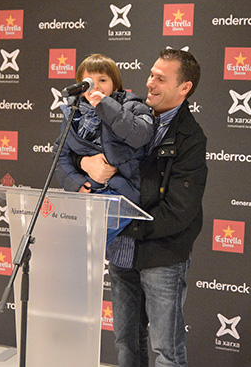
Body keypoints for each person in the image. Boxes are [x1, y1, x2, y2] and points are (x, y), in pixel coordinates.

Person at [78, 48, 207, 367]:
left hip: (162, 255)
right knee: (127, 342)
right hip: (122, 252)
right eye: (151, 74)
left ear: (184, 88)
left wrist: (126, 224)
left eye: (160, 79)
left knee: (166, 351)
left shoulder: (190, 137)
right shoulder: (127, 112)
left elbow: (179, 210)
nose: (150, 83)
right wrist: (84, 164)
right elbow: (77, 151)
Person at [52, 53, 154, 246]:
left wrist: (106, 105)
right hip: (88, 195)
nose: (95, 87)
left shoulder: (133, 106)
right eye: (88, 82)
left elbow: (140, 135)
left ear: (115, 85)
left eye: (103, 80)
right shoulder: (74, 114)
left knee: (85, 244)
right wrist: (78, 184)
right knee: (61, 240)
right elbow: (60, 155)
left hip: (121, 195)